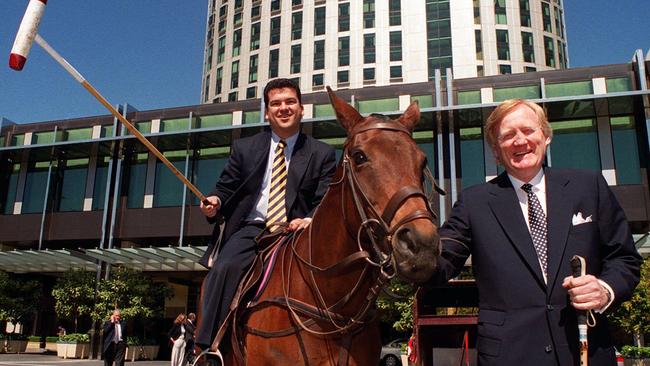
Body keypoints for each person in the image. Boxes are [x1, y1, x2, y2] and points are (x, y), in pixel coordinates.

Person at [428, 99, 642, 365]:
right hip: (509, 356)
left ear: (546, 136)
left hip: (586, 351)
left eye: (528, 131)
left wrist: (604, 289)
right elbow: (439, 262)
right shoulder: (474, 202)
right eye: (507, 136)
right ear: (496, 151)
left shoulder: (588, 186)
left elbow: (626, 259)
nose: (520, 141)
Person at [196, 78, 337, 350]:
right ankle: (206, 349)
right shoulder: (244, 148)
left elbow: (326, 199)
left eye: (290, 102)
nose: (283, 108)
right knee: (224, 268)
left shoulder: (322, 153)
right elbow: (225, 188)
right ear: (267, 112)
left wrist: (311, 218)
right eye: (276, 103)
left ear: (301, 108)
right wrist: (214, 201)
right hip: (253, 229)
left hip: (298, 231)